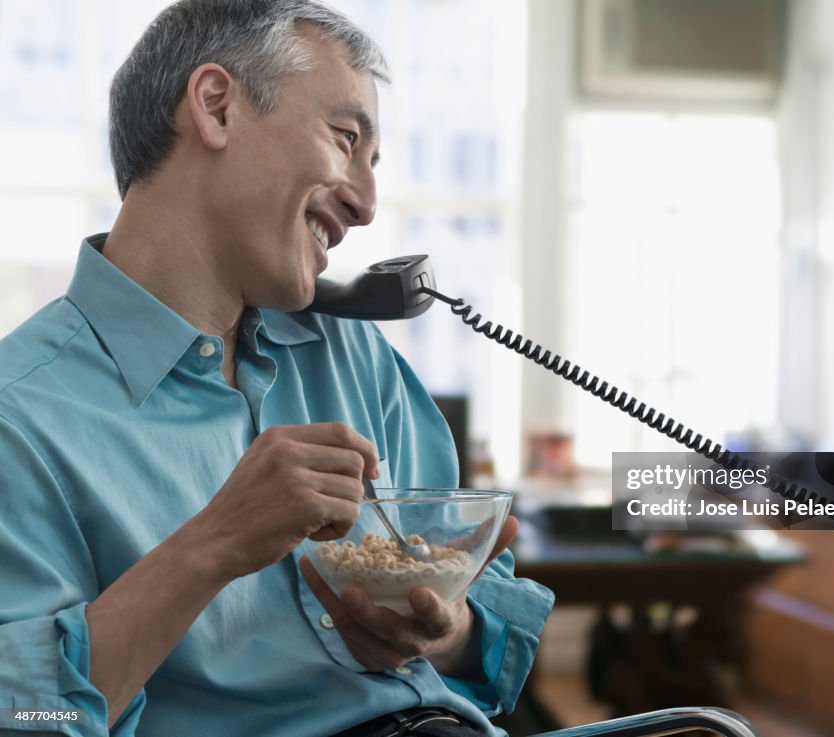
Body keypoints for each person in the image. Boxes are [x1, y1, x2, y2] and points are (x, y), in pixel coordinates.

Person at [0, 1, 553, 736]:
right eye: (345, 138)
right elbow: (21, 713)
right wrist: (212, 546)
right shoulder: (20, 416)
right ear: (218, 107)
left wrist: (436, 629)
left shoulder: (357, 357)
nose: (365, 204)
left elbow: (486, 615)